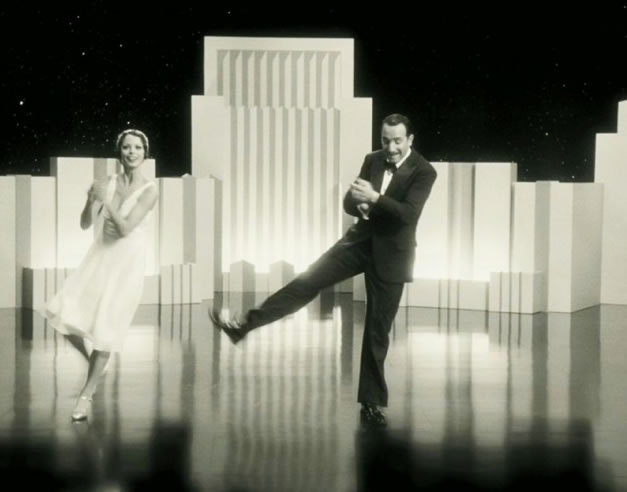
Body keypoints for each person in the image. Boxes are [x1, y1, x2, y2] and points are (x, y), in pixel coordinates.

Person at [210, 113, 437, 428]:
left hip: (392, 256)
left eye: (397, 141)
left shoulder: (424, 171)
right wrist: (358, 203)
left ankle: (371, 402)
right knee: (306, 281)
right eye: (385, 140)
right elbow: (348, 202)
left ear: (410, 139)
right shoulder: (372, 160)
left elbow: (408, 214)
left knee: (377, 331)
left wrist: (374, 198)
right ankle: (243, 326)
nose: (391, 148)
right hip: (358, 243)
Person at [44, 129, 158, 421]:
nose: (131, 152)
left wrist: (105, 202)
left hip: (127, 264)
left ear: (145, 153)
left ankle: (86, 395)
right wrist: (89, 200)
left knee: (106, 329)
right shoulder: (107, 182)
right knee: (61, 313)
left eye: (137, 148)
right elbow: (85, 224)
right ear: (120, 152)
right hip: (99, 258)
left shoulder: (150, 190)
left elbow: (125, 229)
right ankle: (96, 365)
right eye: (127, 147)